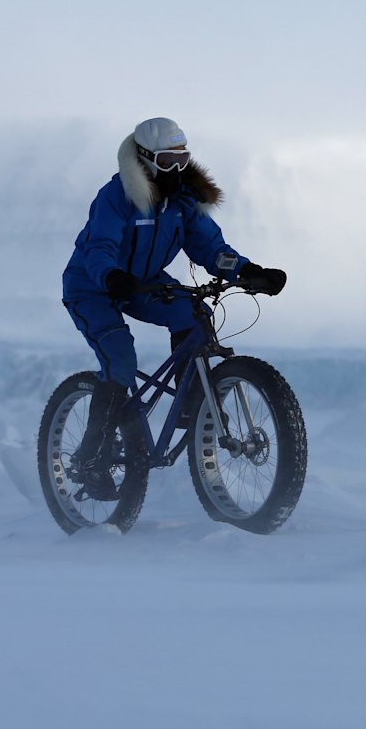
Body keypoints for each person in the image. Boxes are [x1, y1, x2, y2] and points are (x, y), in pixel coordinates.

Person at [62, 117, 287, 500]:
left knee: (194, 316)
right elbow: (100, 247)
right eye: (168, 161)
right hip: (93, 285)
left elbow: (211, 248)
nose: (177, 169)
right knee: (120, 358)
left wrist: (248, 272)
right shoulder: (116, 195)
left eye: (182, 159)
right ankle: (92, 458)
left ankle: (194, 408)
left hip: (144, 282)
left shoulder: (183, 201)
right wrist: (112, 277)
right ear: (145, 159)